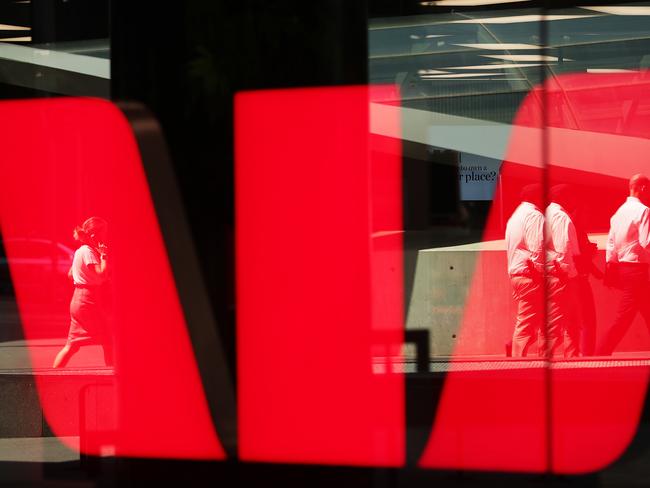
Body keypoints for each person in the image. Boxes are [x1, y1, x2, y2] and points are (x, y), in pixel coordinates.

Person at [597, 174, 650, 355]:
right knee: (624, 317)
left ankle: (602, 351)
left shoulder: (617, 213)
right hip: (638, 271)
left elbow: (611, 244)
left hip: (624, 268)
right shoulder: (644, 211)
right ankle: (601, 352)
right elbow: (646, 242)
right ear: (643, 188)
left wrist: (610, 267)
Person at [52, 217, 112, 368]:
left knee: (72, 345)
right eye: (104, 232)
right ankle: (112, 377)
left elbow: (71, 274)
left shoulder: (80, 251)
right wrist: (104, 255)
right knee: (109, 340)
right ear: (94, 235)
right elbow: (101, 274)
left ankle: (52, 376)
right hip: (88, 300)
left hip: (78, 299)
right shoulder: (89, 252)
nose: (106, 236)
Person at [505, 183, 544, 357]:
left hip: (518, 274)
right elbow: (537, 248)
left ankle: (515, 348)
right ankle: (516, 360)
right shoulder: (534, 216)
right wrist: (541, 271)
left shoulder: (515, 216)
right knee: (527, 322)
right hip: (531, 275)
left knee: (542, 320)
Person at [543, 184, 581, 358]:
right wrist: (568, 271)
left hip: (553, 272)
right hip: (563, 275)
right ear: (564, 197)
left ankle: (571, 358)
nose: (574, 200)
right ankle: (545, 358)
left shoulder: (546, 214)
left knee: (570, 321)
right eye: (572, 196)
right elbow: (564, 247)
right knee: (558, 321)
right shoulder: (560, 216)